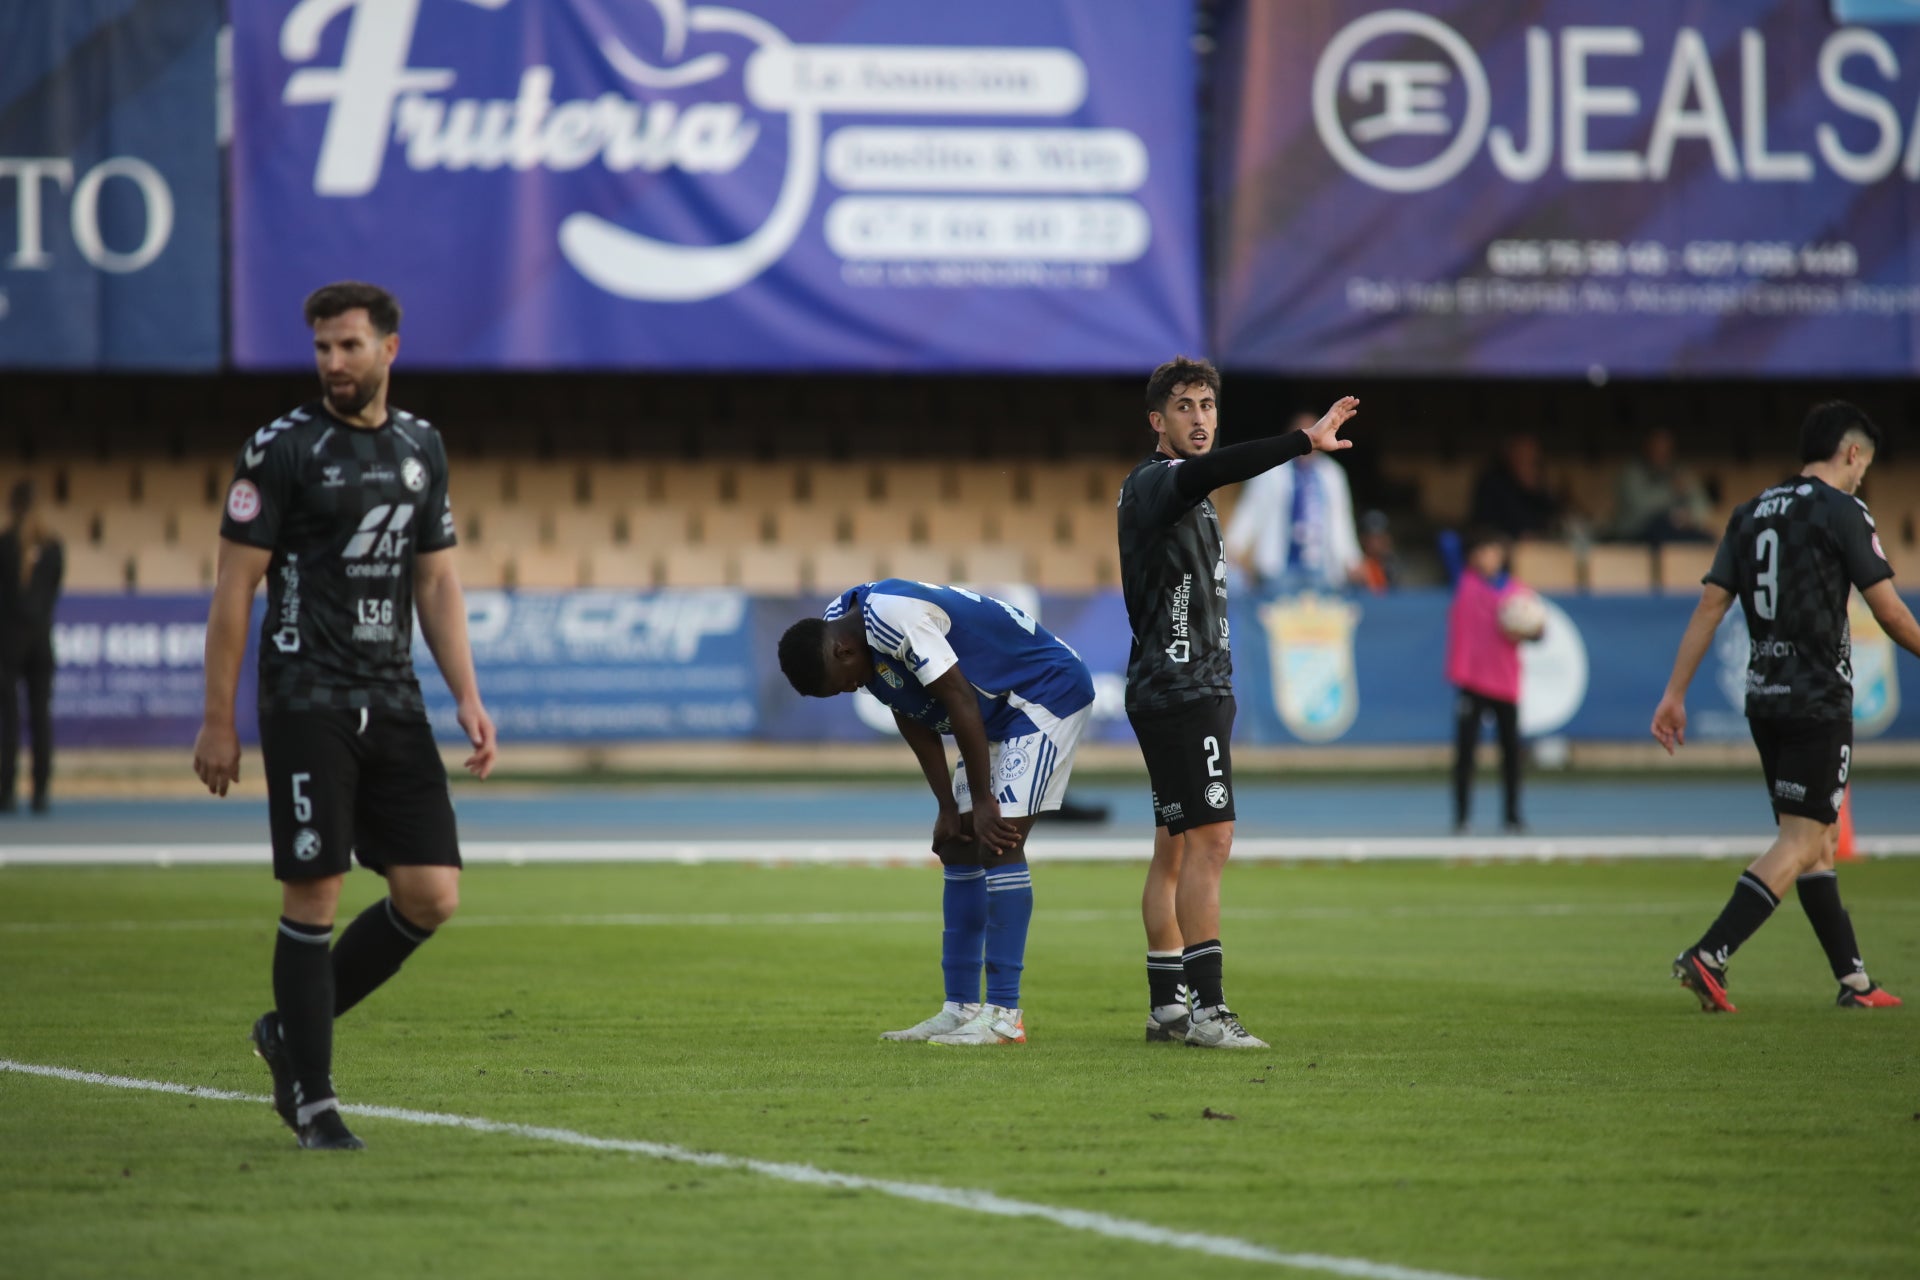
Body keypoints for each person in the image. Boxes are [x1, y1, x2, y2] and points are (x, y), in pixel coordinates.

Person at [192, 281, 498, 1150]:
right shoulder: (280, 451)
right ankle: (315, 1098)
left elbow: (435, 578)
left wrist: (467, 695)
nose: (334, 363)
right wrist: (220, 721)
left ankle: (288, 1031)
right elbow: (233, 588)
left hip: (393, 699)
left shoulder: (420, 448)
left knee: (432, 894)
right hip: (307, 700)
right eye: (323, 348)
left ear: (389, 349)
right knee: (314, 890)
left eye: (350, 347)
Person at [1118, 356, 1358, 1049]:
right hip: (1182, 689)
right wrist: (1300, 443)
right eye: (1184, 408)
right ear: (1157, 422)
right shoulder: (1159, 483)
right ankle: (1209, 1011)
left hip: (1179, 688)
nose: (1199, 419)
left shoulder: (1173, 494)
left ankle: (1169, 1004)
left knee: (1174, 847)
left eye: (1207, 406)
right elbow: (1209, 471)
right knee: (1211, 840)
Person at [1652, 401, 1904, 1013]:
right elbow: (1890, 612)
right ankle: (1710, 955)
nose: (1862, 475)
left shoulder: (1749, 512)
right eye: (1863, 464)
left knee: (1815, 843)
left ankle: (1854, 982)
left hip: (1764, 695)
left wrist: (1675, 693)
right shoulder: (1843, 511)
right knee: (1801, 837)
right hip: (1818, 697)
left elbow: (1710, 607)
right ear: (1851, 453)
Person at [779, 578, 1095, 1046]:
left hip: (1042, 694)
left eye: (844, 684)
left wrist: (984, 801)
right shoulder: (840, 629)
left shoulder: (894, 619)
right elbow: (907, 707)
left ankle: (1005, 1016)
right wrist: (948, 806)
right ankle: (960, 1008)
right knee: (958, 845)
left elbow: (957, 697)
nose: (852, 690)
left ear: (843, 651)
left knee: (998, 840)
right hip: (995, 711)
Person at [1445, 529, 1541, 834]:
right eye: (1482, 552)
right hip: (1472, 680)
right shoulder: (1465, 584)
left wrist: (1528, 629)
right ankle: (1462, 817)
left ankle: (1512, 815)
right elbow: (1447, 542)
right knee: (1465, 753)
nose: (1488, 558)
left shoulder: (1518, 592)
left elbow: (1538, 632)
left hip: (1504, 682)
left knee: (1511, 753)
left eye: (1493, 552)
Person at [1224, 411, 1364, 593]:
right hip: (1279, 569)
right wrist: (1232, 548)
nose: (1310, 439)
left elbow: (1341, 519)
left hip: (1322, 571)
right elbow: (1251, 511)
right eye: (1304, 434)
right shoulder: (1271, 471)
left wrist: (1352, 560)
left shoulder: (1332, 474)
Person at [0, 480, 62, 814]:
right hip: (40, 640)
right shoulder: (53, 548)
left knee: (9, 719)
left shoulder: (6, 544)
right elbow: (53, 594)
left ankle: (6, 792)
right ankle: (41, 792)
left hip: (10, 642)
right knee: (40, 718)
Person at [1609, 427, 1712, 545]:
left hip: (1673, 530)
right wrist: (1670, 491)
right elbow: (1640, 506)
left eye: (1666, 447)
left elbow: (1701, 503)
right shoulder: (1632, 472)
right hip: (1637, 532)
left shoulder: (1679, 471)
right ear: (1647, 447)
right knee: (1660, 530)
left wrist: (1690, 517)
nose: (1661, 451)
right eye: (1657, 446)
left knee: (1709, 540)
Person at [1469, 433, 1562, 541]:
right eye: (1522, 453)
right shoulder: (1493, 482)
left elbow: (1551, 517)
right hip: (1495, 544)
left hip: (1531, 545)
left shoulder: (1538, 488)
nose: (1528, 459)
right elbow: (1491, 525)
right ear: (1510, 453)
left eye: (1533, 458)